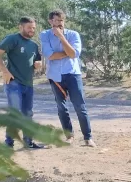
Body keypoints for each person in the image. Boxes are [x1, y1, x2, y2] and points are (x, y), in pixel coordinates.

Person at [40, 9, 95, 147]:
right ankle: (69, 136)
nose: (60, 24)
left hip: (72, 74)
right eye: (57, 20)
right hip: (55, 76)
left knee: (80, 106)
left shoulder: (73, 34)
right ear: (50, 21)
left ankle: (88, 137)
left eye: (62, 21)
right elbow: (50, 55)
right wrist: (67, 52)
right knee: (61, 107)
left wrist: (61, 38)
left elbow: (74, 54)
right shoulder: (45, 35)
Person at [0, 16, 45, 149]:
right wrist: (4, 71)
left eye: (33, 28)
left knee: (28, 113)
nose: (32, 30)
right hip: (14, 83)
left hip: (28, 84)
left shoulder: (33, 45)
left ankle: (28, 142)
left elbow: (37, 62)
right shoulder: (12, 39)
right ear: (21, 27)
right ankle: (9, 143)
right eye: (29, 28)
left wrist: (38, 64)